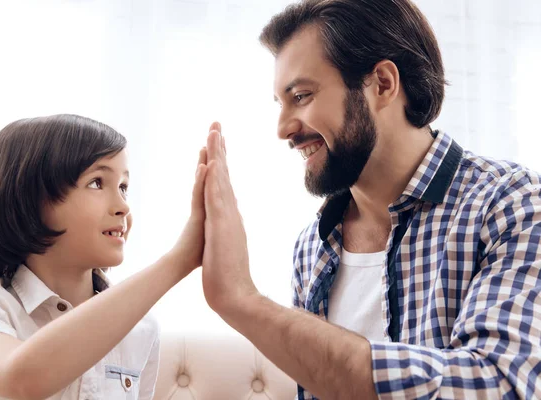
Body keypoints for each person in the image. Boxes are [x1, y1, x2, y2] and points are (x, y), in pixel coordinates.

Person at [199, 0, 541, 399]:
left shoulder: (512, 205)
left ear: (382, 83)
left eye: (302, 96)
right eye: (281, 104)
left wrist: (244, 301)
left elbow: (499, 385)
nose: (283, 128)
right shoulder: (312, 248)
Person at [0, 114, 208, 400]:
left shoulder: (141, 328)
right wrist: (177, 262)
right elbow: (20, 378)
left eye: (123, 187)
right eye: (96, 182)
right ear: (31, 199)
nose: (122, 207)